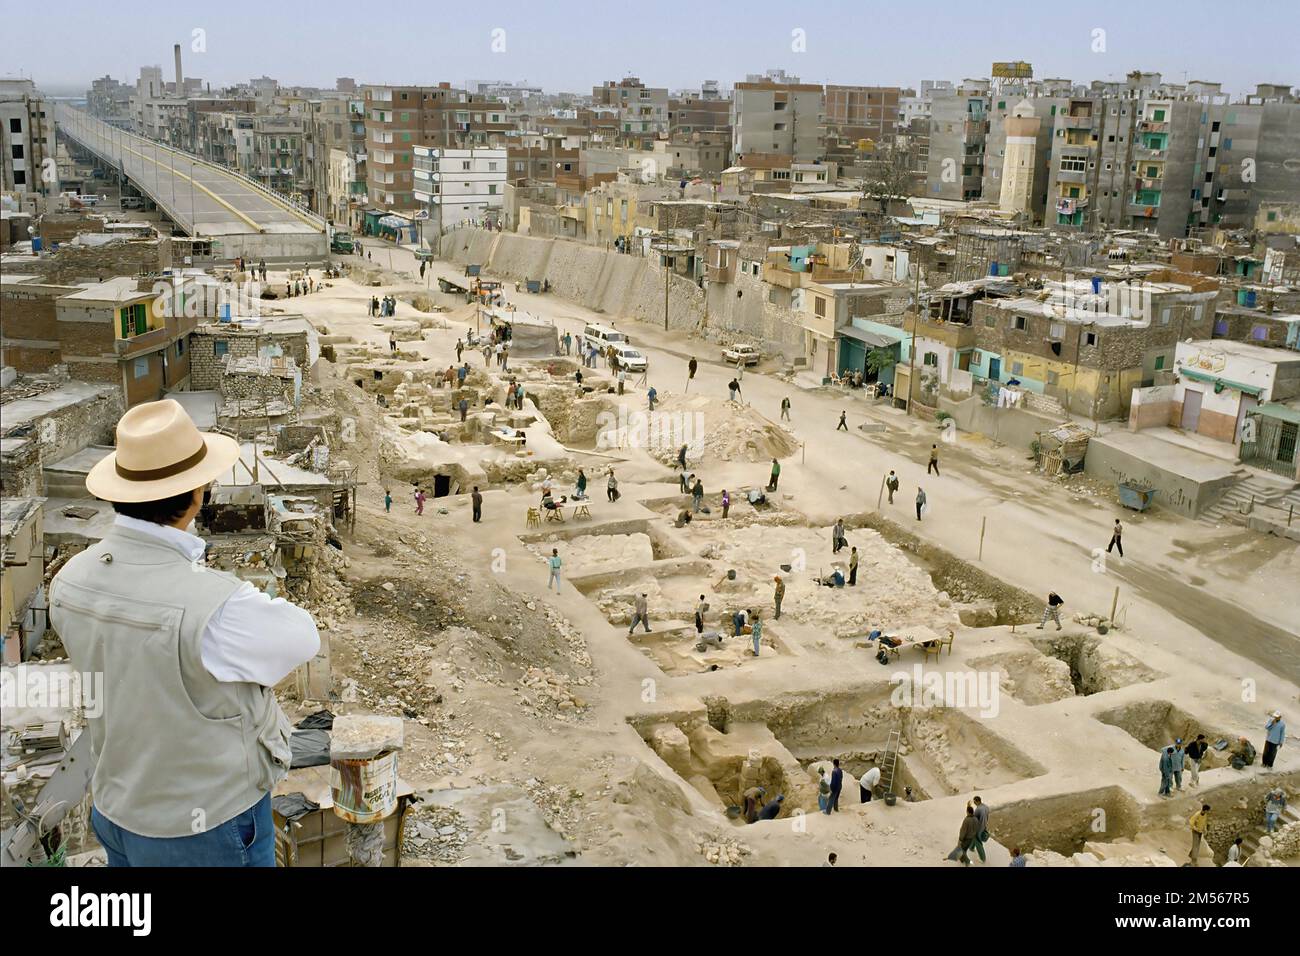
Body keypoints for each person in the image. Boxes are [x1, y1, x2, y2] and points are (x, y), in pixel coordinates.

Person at [48, 399, 319, 866]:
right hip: (203, 829)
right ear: (196, 494)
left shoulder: (68, 581)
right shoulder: (214, 605)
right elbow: (302, 637)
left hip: (117, 811)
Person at [970, 796, 990, 863]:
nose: (974, 803)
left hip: (978, 828)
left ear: (977, 801)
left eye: (974, 801)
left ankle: (982, 858)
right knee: (975, 838)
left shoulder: (978, 809)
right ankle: (971, 848)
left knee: (978, 841)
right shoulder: (986, 807)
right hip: (984, 826)